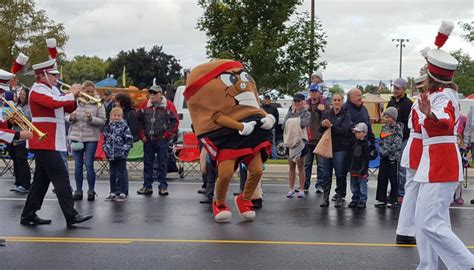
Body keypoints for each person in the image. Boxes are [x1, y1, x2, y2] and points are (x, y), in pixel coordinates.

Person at [414, 22, 474, 269]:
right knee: (424, 221)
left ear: (430, 75)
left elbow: (447, 121)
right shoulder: (440, 94)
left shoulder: (443, 97)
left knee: (430, 222)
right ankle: (428, 265)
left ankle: (467, 263)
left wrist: (430, 115)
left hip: (442, 164)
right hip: (434, 164)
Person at [21, 58, 92, 227]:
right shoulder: (38, 89)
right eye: (53, 74)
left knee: (41, 181)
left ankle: (28, 214)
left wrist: (74, 97)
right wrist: (71, 93)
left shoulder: (52, 89)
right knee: (61, 177)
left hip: (51, 140)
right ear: (43, 75)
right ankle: (71, 215)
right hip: (44, 140)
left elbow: (67, 107)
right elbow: (53, 104)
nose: (57, 77)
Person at [395, 74, 425, 245]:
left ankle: (406, 229)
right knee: (416, 191)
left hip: (416, 145)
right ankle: (410, 229)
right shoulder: (422, 102)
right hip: (419, 147)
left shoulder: (417, 102)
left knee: (412, 191)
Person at [65, 80, 106, 201]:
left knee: (89, 164)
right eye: (87, 92)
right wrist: (70, 118)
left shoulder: (98, 103)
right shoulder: (74, 100)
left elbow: (103, 121)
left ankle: (91, 190)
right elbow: (65, 114)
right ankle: (78, 190)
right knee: (78, 165)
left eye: (92, 92)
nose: (90, 94)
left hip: (91, 138)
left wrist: (91, 118)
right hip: (76, 137)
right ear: (82, 91)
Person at [136, 84, 178, 196]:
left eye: (155, 93)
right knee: (147, 163)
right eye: (151, 93)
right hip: (148, 140)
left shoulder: (168, 105)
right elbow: (138, 121)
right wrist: (142, 136)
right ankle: (147, 186)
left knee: (162, 164)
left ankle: (163, 186)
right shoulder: (145, 105)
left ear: (161, 94)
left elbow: (174, 122)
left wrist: (166, 136)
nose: (152, 95)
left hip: (161, 140)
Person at [343, 88, 376, 202]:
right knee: (353, 174)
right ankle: (354, 196)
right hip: (351, 146)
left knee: (362, 173)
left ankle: (362, 198)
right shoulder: (345, 109)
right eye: (359, 96)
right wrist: (356, 131)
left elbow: (369, 126)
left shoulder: (364, 109)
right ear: (351, 97)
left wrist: (372, 142)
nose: (361, 98)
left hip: (363, 146)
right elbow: (347, 125)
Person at [319, 93, 351, 207]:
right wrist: (323, 125)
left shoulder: (346, 115)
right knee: (326, 173)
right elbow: (320, 129)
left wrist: (332, 126)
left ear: (342, 102)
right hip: (328, 147)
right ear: (331, 102)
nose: (337, 102)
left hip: (340, 148)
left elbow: (345, 130)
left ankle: (340, 195)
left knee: (340, 173)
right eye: (335, 100)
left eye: (339, 100)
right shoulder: (327, 113)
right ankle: (325, 197)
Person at [387, 78, 413, 203]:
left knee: (402, 168)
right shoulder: (391, 102)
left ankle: (401, 192)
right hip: (390, 139)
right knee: (391, 167)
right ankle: (393, 191)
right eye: (394, 88)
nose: (395, 90)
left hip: (402, 139)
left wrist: (401, 134)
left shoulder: (408, 104)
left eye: (398, 88)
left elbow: (410, 123)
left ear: (403, 89)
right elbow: (386, 118)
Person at [283, 93, 310, 199]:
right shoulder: (289, 112)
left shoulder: (306, 113)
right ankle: (291, 189)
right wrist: (293, 116)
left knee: (301, 166)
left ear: (303, 102)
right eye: (295, 101)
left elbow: (304, 123)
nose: (297, 103)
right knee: (291, 166)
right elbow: (284, 124)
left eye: (299, 101)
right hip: (290, 141)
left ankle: (302, 189)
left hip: (301, 142)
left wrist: (293, 119)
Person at [103, 107, 133, 201]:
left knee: (121, 174)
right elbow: (105, 138)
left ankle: (123, 192)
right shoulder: (109, 126)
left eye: (118, 116)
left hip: (121, 154)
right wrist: (105, 148)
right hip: (111, 154)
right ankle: (112, 192)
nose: (116, 117)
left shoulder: (124, 126)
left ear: (121, 116)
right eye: (114, 115)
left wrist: (124, 150)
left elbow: (129, 140)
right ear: (110, 116)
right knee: (112, 174)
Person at [375, 107, 402, 208]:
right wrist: (381, 150)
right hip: (383, 157)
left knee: (393, 178)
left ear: (393, 117)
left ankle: (393, 199)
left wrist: (388, 151)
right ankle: (381, 199)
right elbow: (381, 140)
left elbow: (398, 143)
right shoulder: (384, 127)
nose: (386, 119)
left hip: (392, 158)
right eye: (385, 117)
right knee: (382, 178)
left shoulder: (398, 128)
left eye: (388, 117)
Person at [304, 83, 329, 193]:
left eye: (315, 91)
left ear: (319, 93)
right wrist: (305, 110)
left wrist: (322, 110)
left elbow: (328, 119)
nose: (314, 93)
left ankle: (320, 185)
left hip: (320, 139)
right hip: (308, 139)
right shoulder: (306, 105)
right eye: (312, 91)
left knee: (321, 165)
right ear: (309, 92)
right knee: (307, 164)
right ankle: (305, 185)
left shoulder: (324, 105)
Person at [6, 88, 32, 193]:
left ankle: (26, 184)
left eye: (24, 94)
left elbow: (29, 120)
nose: (21, 96)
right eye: (20, 94)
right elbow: (11, 120)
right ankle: (18, 182)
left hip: (23, 137)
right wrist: (11, 119)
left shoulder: (29, 108)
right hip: (13, 136)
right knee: (15, 161)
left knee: (22, 161)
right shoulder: (16, 106)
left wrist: (19, 120)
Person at [347, 122, 370, 209]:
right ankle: (355, 199)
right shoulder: (353, 143)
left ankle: (362, 200)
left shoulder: (365, 145)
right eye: (356, 132)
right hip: (353, 169)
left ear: (364, 133)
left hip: (361, 169)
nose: (357, 134)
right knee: (354, 186)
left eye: (359, 132)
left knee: (362, 186)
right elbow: (350, 156)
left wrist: (364, 169)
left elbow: (366, 158)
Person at [261, 95, 279, 159]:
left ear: (270, 100)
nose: (267, 100)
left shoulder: (274, 108)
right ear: (263, 100)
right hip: (263, 129)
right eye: (265, 99)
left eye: (268, 99)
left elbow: (277, 118)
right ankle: (264, 156)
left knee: (272, 143)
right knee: (263, 143)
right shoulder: (261, 108)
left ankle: (274, 157)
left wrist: (274, 126)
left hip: (271, 128)